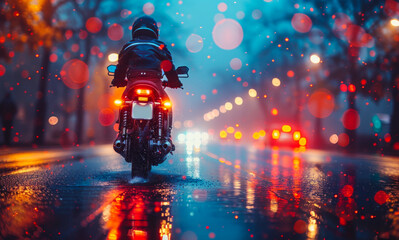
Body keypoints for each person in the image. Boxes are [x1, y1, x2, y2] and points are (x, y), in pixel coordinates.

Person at [112, 16, 183, 151]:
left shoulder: (129, 45)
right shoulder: (160, 46)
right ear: (154, 30)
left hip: (133, 82)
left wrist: (118, 80)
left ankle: (121, 134)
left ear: (135, 30)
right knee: (166, 105)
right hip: (154, 82)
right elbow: (168, 67)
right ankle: (166, 136)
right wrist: (174, 82)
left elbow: (121, 66)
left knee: (123, 103)